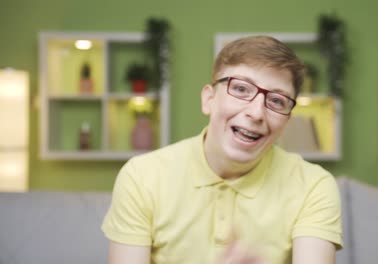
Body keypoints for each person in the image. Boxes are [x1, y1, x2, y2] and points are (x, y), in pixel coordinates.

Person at [102, 35, 343, 264]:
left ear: (286, 122)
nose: (257, 113)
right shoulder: (142, 177)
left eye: (277, 101)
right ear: (209, 99)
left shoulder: (314, 186)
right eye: (240, 89)